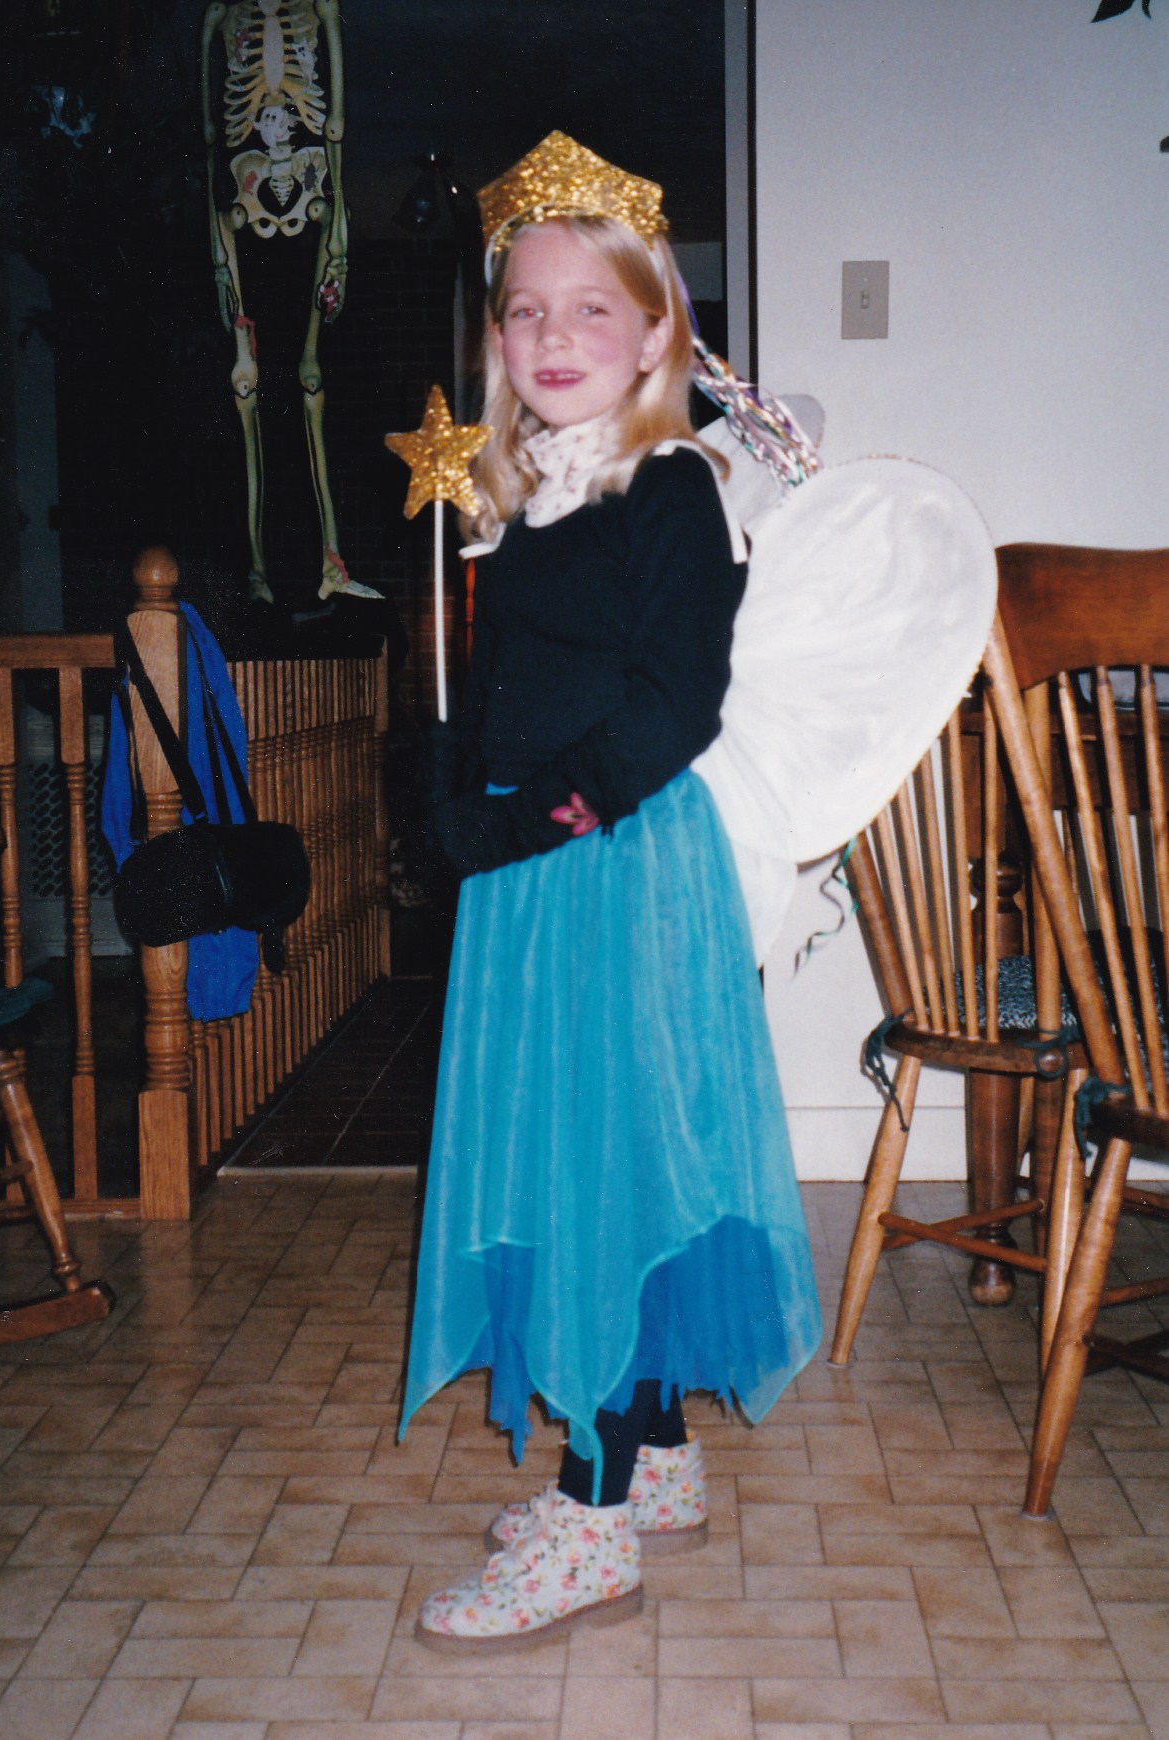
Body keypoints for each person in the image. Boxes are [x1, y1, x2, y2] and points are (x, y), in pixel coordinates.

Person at [399, 132, 821, 1652]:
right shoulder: (528, 496)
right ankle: (652, 1459)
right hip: (535, 868)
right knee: (588, 1149)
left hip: (616, 861)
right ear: (497, 339)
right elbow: (506, 682)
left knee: (599, 1165)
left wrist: (540, 814)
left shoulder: (667, 487)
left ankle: (589, 1521)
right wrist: (452, 787)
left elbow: (672, 703)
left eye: (591, 308)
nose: (553, 336)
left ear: (656, 334)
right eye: (525, 310)